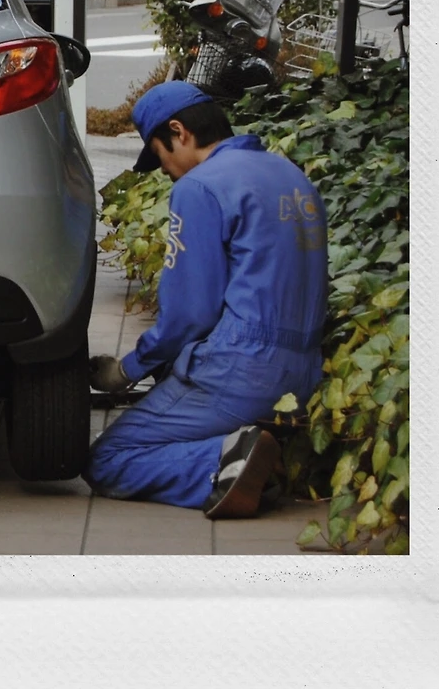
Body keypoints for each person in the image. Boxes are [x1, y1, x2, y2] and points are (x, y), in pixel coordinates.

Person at [86, 81, 329, 519]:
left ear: (178, 132)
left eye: (158, 155)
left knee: (109, 458)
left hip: (238, 372)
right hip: (304, 373)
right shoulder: (291, 176)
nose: (164, 170)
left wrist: (126, 371)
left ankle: (225, 461)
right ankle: (253, 458)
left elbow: (189, 314)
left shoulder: (200, 187)